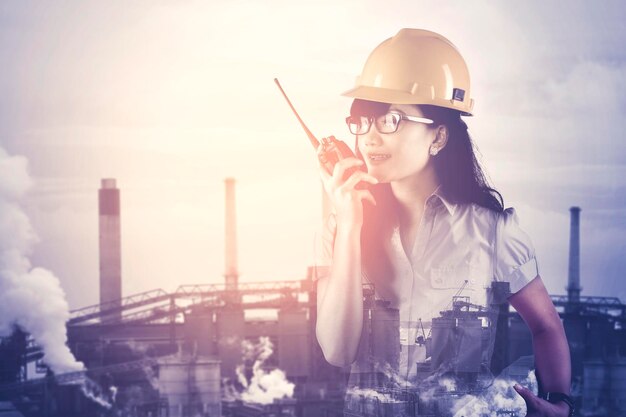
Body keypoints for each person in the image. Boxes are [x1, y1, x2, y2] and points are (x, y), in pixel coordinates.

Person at [314, 29, 573, 417]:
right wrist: (349, 226)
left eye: (391, 119)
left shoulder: (492, 232)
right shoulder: (340, 228)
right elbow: (337, 351)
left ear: (438, 136)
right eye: (362, 120)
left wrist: (560, 404)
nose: (368, 137)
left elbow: (546, 326)